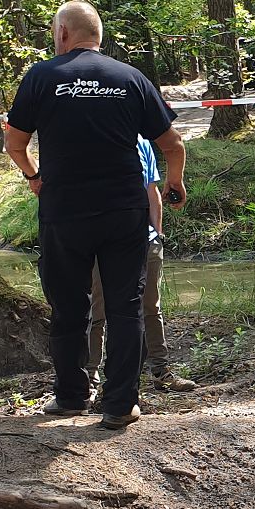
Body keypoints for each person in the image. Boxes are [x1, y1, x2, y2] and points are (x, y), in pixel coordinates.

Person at [3, 0, 188, 430]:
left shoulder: (42, 76)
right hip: (124, 210)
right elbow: (173, 145)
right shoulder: (131, 78)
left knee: (68, 306)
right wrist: (174, 183)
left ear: (63, 34)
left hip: (64, 211)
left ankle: (70, 397)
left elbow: (14, 143)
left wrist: (33, 176)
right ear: (98, 36)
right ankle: (120, 405)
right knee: (125, 307)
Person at [89, 125, 197, 393]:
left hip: (145, 241)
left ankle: (161, 371)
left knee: (151, 306)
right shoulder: (90, 139)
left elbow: (153, 192)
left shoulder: (141, 142)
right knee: (97, 310)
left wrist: (157, 235)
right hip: (99, 239)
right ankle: (89, 378)